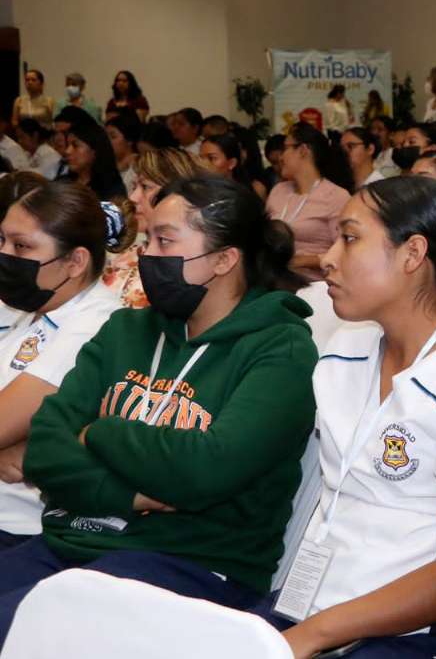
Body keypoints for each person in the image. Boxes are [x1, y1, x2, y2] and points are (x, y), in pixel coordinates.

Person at [0, 175, 318, 640]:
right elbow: (46, 448)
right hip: (74, 540)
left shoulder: (279, 348)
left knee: (20, 633)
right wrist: (127, 494)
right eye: (148, 239)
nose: (146, 255)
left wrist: (101, 432)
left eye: (165, 241)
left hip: (194, 563)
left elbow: (207, 470)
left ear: (224, 260)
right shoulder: (125, 330)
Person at [248, 177, 436, 658]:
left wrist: (316, 634)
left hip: (409, 628)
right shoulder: (345, 348)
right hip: (309, 598)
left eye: (350, 238)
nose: (327, 257)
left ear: (412, 254)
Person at [0, 181, 127, 547]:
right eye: (3, 240)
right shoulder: (39, 308)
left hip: (21, 529)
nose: (6, 254)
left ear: (75, 261)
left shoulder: (94, 323)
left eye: (21, 246)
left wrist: (27, 449)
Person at [107, 147, 206, 309]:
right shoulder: (127, 253)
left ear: (178, 194)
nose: (133, 198)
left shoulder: (192, 265)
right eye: (134, 187)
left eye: (146, 187)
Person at [266, 122, 354, 281]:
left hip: (315, 285)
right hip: (274, 281)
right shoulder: (278, 191)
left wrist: (303, 261)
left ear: (303, 150)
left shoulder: (335, 196)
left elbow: (348, 250)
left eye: (285, 148)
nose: (281, 157)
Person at [64, 117, 127, 201]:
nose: (67, 151)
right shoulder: (63, 183)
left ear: (95, 151)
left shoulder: (113, 190)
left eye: (75, 146)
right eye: (67, 145)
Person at [201, 132, 268, 199]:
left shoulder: (248, 193)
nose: (203, 163)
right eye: (201, 158)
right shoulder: (198, 191)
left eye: (211, 158)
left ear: (231, 163)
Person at [105, 113, 140, 194]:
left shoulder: (137, 168)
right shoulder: (103, 165)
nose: (106, 141)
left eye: (113, 137)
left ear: (129, 140)